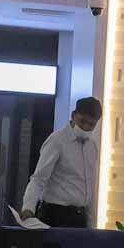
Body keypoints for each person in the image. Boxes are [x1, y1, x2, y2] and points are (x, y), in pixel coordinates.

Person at [21, 97, 101, 227]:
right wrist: (28, 208)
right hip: (55, 214)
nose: (86, 127)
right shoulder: (57, 140)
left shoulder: (92, 146)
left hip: (80, 217)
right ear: (73, 115)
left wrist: (91, 224)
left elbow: (90, 187)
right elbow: (39, 178)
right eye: (82, 121)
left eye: (91, 125)